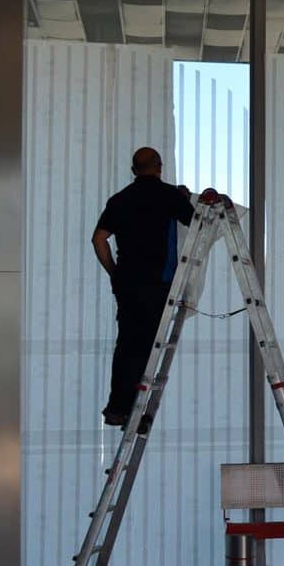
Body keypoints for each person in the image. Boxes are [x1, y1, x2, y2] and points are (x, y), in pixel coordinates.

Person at [92, 147, 195, 428]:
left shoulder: (120, 200)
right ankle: (136, 413)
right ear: (159, 166)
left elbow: (99, 239)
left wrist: (114, 272)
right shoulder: (169, 196)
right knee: (148, 348)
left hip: (127, 283)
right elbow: (195, 222)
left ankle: (118, 407)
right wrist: (185, 198)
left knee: (127, 344)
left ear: (133, 169)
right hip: (158, 283)